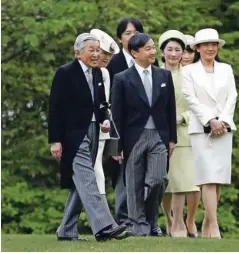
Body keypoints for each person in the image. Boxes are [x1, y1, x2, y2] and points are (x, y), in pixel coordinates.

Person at [48, 33, 127, 241]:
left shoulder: (99, 73)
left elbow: (100, 104)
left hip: (93, 131)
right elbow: (54, 108)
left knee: (80, 183)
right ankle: (104, 227)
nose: (96, 54)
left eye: (97, 49)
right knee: (88, 179)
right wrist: (55, 141)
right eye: (91, 49)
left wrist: (104, 119)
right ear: (77, 52)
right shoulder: (65, 73)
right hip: (72, 135)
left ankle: (66, 230)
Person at [111, 33, 177, 236]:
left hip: (159, 135)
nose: (153, 52)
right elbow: (116, 114)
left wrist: (172, 139)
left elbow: (170, 109)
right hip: (133, 137)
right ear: (135, 52)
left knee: (158, 179)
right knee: (133, 184)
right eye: (148, 48)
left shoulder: (164, 75)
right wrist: (116, 146)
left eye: (153, 47)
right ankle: (137, 225)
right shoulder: (122, 78)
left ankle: (150, 219)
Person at [106, 17, 162, 236]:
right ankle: (124, 221)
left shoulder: (153, 64)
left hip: (151, 131)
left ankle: (148, 220)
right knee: (123, 177)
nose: (131, 36)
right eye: (127, 33)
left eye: (136, 32)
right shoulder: (113, 64)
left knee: (155, 178)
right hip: (122, 129)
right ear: (120, 37)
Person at [181, 28, 238, 239]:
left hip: (224, 129)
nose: (210, 48)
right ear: (197, 48)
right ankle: (214, 227)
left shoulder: (226, 69)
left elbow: (232, 96)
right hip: (201, 129)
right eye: (205, 44)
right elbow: (190, 98)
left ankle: (207, 223)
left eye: (213, 44)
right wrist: (210, 120)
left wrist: (222, 121)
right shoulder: (189, 71)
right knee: (207, 179)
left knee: (218, 179)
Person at [158, 30, 200, 238]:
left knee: (181, 182)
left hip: (183, 134)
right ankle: (170, 219)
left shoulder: (190, 76)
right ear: (162, 52)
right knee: (165, 182)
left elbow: (199, 105)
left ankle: (180, 225)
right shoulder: (154, 73)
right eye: (170, 50)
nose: (174, 54)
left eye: (178, 50)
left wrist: (181, 117)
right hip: (157, 134)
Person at [89, 28, 120, 202]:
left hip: (100, 126)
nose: (107, 58)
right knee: (88, 171)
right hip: (83, 128)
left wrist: (106, 121)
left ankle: (102, 214)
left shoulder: (105, 73)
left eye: (109, 54)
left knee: (97, 167)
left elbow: (105, 103)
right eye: (103, 53)